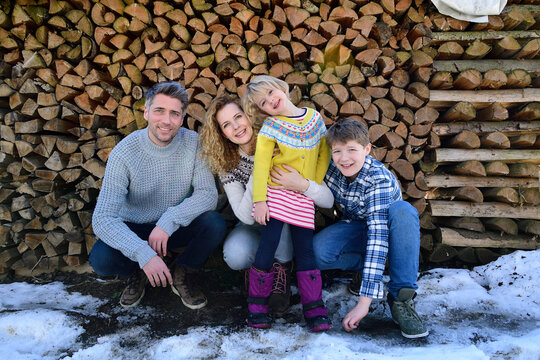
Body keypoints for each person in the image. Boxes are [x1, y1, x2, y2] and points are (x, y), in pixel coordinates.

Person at [90, 81, 226, 310]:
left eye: (174, 113)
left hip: (174, 228)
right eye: (159, 111)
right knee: (101, 260)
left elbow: (207, 194)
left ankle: (183, 271)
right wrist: (143, 253)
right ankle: (137, 271)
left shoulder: (194, 143)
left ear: (182, 118)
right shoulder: (124, 152)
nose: (166, 120)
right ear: (146, 112)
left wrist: (168, 221)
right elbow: (102, 218)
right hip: (136, 229)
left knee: (214, 224)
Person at [199, 94, 334, 317]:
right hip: (253, 223)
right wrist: (262, 167)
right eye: (226, 125)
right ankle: (259, 274)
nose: (236, 127)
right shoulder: (227, 163)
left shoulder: (281, 138)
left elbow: (327, 200)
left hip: (285, 222)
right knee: (235, 254)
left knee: (278, 220)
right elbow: (245, 217)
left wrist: (302, 184)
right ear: (221, 133)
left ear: (249, 115)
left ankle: (281, 272)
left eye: (238, 117)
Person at [312, 117, 429, 339]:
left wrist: (363, 304)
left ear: (367, 149)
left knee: (403, 211)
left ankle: (401, 298)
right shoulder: (331, 167)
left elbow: (378, 236)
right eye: (337, 151)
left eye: (351, 150)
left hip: (389, 233)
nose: (344, 158)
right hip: (358, 228)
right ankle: (362, 271)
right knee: (318, 252)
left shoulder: (379, 179)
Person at [241, 75, 332, 332]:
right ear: (262, 110)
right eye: (264, 102)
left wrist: (309, 182)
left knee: (305, 249)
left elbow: (324, 152)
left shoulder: (314, 118)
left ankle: (314, 309)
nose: (271, 101)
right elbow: (261, 166)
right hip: (276, 193)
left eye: (271, 93)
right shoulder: (270, 128)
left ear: (282, 87)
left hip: (302, 193)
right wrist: (260, 201)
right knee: (267, 247)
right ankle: (257, 306)